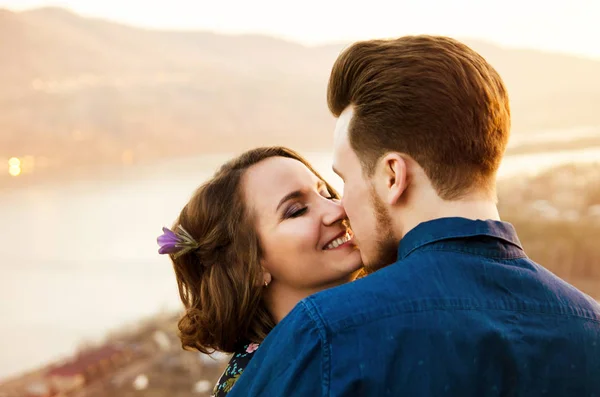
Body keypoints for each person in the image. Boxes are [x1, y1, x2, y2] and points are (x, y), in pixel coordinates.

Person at [228, 35, 600, 396]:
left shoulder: (326, 336)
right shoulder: (591, 327)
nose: (341, 207)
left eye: (346, 180)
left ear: (393, 176)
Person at [156, 146, 363, 396]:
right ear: (249, 266)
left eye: (327, 194)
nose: (338, 209)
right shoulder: (260, 386)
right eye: (296, 210)